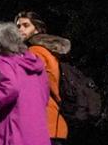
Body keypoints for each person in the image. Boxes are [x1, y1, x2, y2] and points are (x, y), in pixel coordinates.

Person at [16, 11, 69, 143]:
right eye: (18, 26)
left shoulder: (35, 51)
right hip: (53, 126)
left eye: (25, 25)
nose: (20, 29)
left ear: (37, 29)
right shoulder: (49, 52)